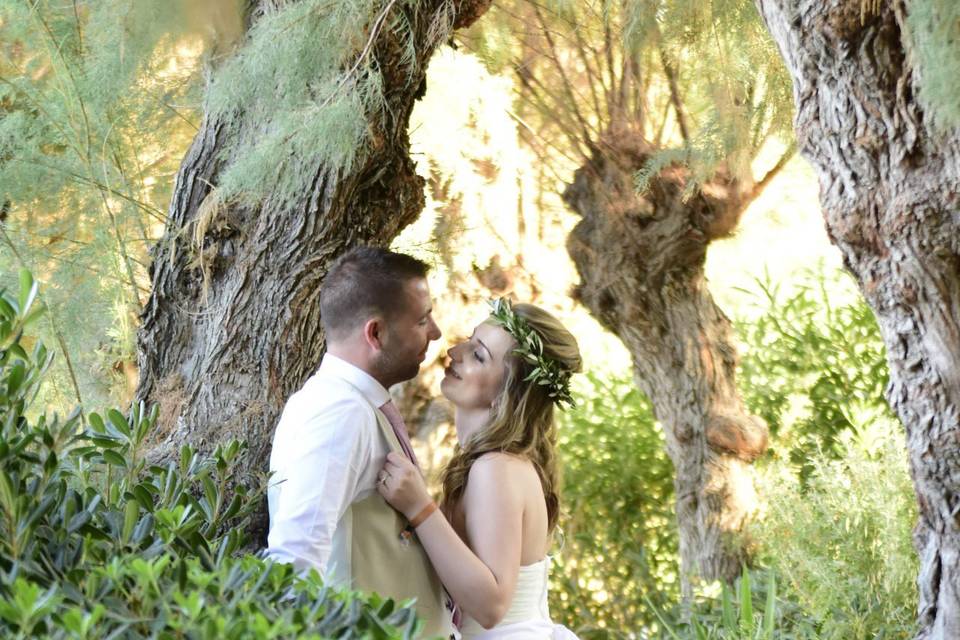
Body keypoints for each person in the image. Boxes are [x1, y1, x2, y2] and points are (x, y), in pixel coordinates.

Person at [266, 246, 455, 637]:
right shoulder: (340, 413)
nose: (435, 332)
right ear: (376, 333)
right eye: (422, 320)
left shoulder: (350, 404)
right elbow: (296, 558)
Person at [378, 298, 582, 639]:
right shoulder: (492, 462)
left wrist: (419, 507)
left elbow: (491, 606)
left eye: (478, 355)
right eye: (470, 341)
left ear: (506, 393)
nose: (455, 351)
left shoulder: (496, 468)